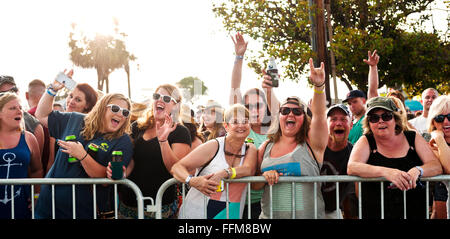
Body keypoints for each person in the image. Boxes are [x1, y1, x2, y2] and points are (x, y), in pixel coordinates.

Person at [34, 74, 133, 219]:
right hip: (48, 207)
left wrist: (82, 155)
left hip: (83, 211)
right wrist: (52, 90)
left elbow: (105, 179)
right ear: (102, 108)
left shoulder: (122, 140)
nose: (120, 114)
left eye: (125, 112)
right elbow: (41, 115)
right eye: (115, 108)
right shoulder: (74, 119)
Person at [253, 58, 328, 219]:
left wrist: (319, 87)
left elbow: (320, 116)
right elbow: (255, 185)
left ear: (305, 118)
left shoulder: (312, 144)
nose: (291, 114)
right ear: (279, 117)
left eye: (297, 111)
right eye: (285, 111)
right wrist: (263, 177)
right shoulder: (266, 146)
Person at [347, 96, 442, 219]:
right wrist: (386, 172)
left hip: (414, 211)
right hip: (376, 212)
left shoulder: (412, 137)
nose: (380, 121)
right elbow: (352, 166)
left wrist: (418, 170)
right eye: (374, 118)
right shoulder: (366, 141)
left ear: (395, 119)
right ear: (369, 123)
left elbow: (435, 166)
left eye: (386, 116)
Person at [118, 84, 191, 219]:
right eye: (157, 96)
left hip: (160, 208)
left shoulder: (180, 132)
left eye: (167, 99)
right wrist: (121, 172)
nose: (160, 100)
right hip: (128, 205)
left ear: (176, 106)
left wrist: (163, 141)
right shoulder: (137, 127)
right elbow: (130, 159)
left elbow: (176, 170)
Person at [172, 104, 257, 219]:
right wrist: (191, 181)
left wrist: (224, 173)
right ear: (226, 126)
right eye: (235, 122)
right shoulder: (214, 146)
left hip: (230, 214)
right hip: (197, 213)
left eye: (245, 121)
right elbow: (177, 167)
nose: (241, 126)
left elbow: (248, 169)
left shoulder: (250, 148)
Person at [229, 32, 275, 219]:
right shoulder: (241, 128)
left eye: (259, 105)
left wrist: (269, 90)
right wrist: (239, 57)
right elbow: (234, 88)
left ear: (266, 107)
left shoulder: (274, 131)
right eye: (248, 106)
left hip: (265, 202)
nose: (254, 110)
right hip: (236, 200)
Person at [0, 92, 43, 219]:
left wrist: (36, 196)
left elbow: (37, 170)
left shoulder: (29, 138)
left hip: (21, 206)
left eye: (20, 108)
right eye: (12, 108)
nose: (19, 111)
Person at [320, 104, 358, 219]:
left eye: (343, 119)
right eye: (333, 119)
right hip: (308, 209)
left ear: (351, 125)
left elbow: (351, 196)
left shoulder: (354, 153)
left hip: (332, 211)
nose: (338, 123)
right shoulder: (315, 147)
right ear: (326, 124)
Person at [0, 76, 45, 162]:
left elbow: (36, 169)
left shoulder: (34, 126)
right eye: (3, 94)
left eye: (13, 91)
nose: (10, 96)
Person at [344, 50, 380, 145]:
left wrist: (373, 67)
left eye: (355, 101)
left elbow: (372, 90)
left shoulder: (369, 116)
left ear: (364, 100)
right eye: (349, 103)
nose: (352, 105)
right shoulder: (349, 124)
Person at [427, 95, 450, 218]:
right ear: (433, 122)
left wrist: (439, 139)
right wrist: (440, 139)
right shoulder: (431, 145)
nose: (446, 122)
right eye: (440, 118)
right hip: (443, 197)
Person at [26, 79, 52, 174]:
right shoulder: (55, 117)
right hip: (53, 176)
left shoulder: (24, 118)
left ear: (26, 95)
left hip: (28, 178)